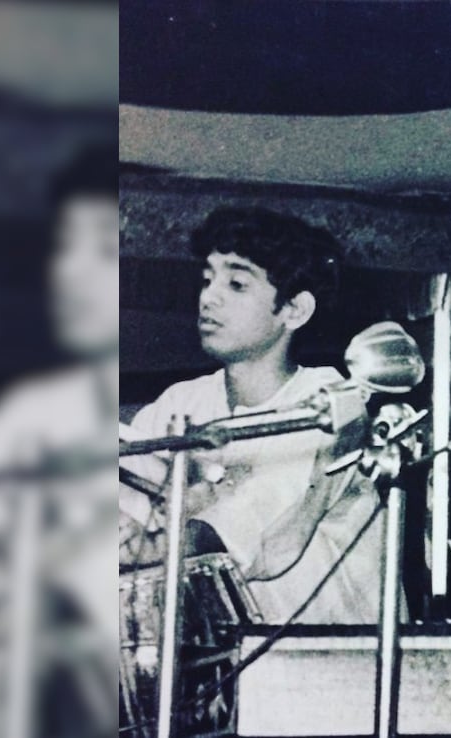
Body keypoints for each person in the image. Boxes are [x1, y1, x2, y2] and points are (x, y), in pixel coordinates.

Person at [118, 206, 388, 625]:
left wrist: (157, 545)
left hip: (334, 662)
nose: (209, 297)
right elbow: (128, 482)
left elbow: (257, 512)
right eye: (207, 280)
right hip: (227, 666)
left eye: (237, 284)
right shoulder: (181, 404)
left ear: (294, 311)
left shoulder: (330, 401)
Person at [0, 143, 121, 738]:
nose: (69, 270)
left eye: (103, 250)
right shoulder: (30, 411)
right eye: (64, 245)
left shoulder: (163, 433)